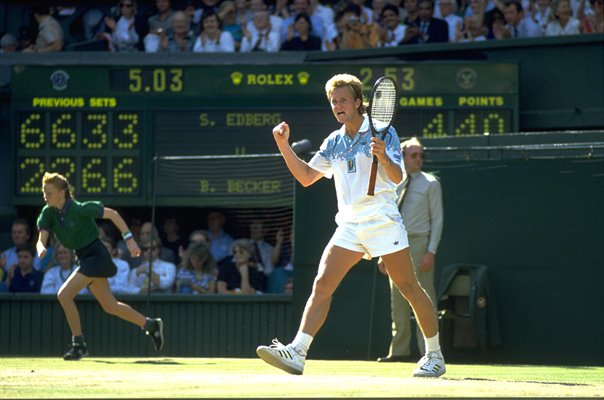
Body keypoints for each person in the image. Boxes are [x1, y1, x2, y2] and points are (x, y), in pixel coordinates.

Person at [256, 74, 446, 378]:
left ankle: (434, 355)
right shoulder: (333, 141)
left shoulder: (385, 133)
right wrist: (283, 145)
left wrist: (384, 157)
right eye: (333, 101)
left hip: (383, 221)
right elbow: (306, 177)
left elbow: (398, 178)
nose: (337, 106)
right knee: (322, 284)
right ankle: (297, 351)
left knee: (409, 288)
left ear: (359, 102)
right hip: (349, 225)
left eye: (343, 100)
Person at [35, 172, 164, 361]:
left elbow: (113, 214)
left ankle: (78, 345)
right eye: (44, 192)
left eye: (49, 193)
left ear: (62, 193)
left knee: (64, 294)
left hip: (96, 255)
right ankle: (151, 325)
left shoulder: (79, 209)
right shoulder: (48, 212)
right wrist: (41, 247)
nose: (45, 196)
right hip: (83, 257)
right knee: (110, 306)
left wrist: (130, 241)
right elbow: (42, 237)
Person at [377, 137, 443, 363]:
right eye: (414, 155)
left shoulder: (431, 183)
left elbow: (438, 220)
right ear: (403, 156)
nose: (419, 159)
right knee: (397, 298)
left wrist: (430, 251)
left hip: (418, 242)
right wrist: (381, 252)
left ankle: (429, 351)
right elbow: (385, 216)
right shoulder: (392, 181)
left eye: (421, 155)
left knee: (424, 295)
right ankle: (399, 351)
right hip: (394, 242)